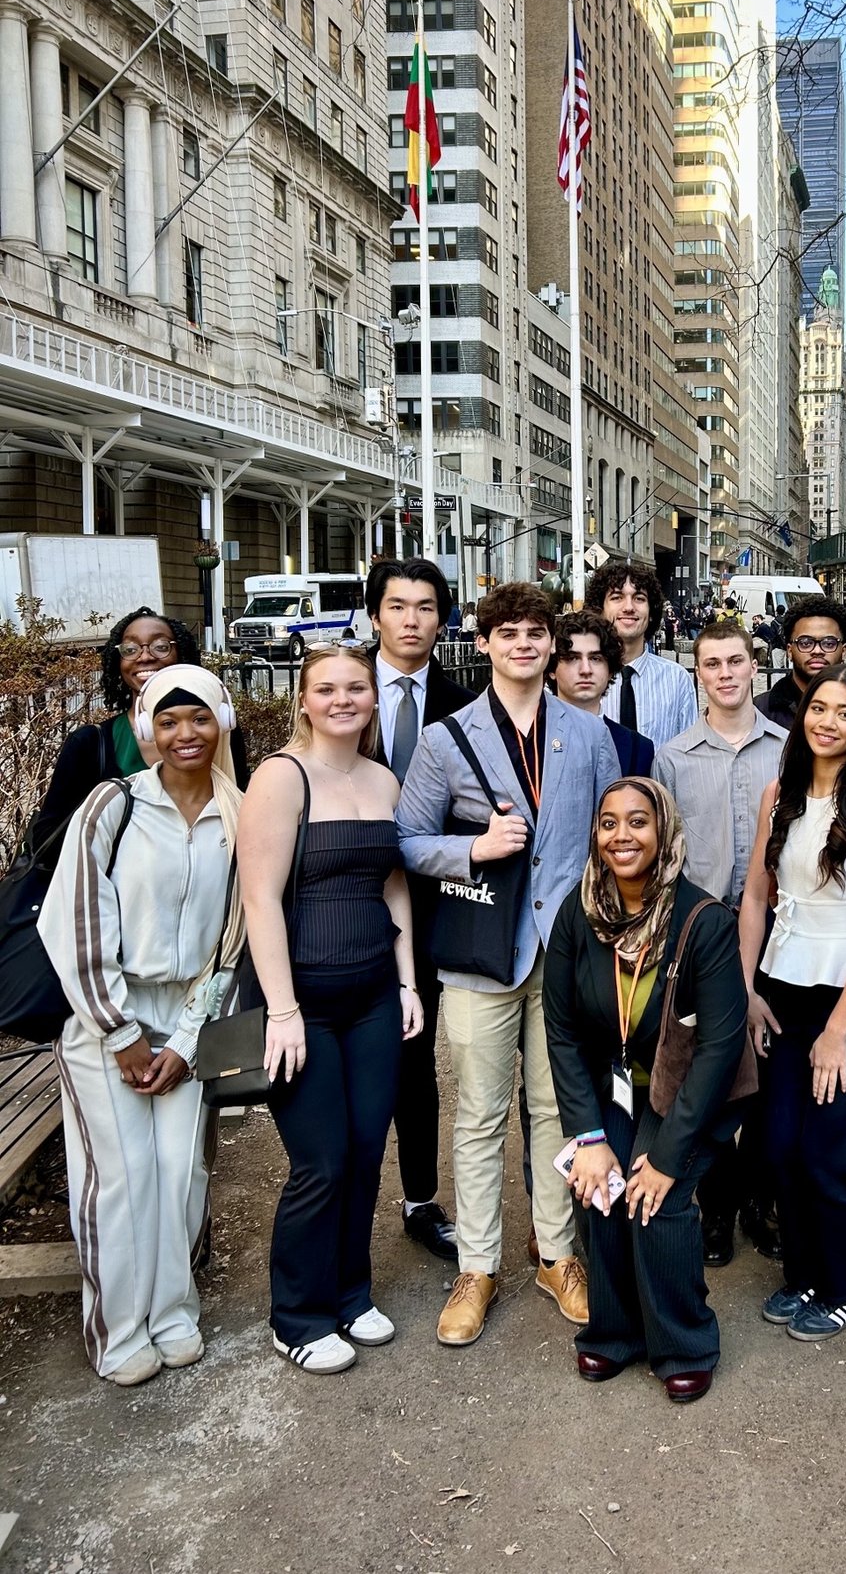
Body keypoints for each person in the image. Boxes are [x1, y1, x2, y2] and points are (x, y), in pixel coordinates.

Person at [397, 583, 619, 1347]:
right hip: (480, 957)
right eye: (508, 632)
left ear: (552, 645)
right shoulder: (444, 737)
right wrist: (472, 848)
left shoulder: (588, 735)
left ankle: (558, 1253)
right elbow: (405, 839)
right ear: (484, 643)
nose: (523, 643)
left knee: (559, 1110)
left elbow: (612, 837)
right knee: (481, 1114)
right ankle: (479, 1263)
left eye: (535, 632)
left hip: (566, 954)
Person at [39, 666, 244, 1385]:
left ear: (222, 721)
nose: (185, 734)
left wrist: (188, 1040)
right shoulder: (113, 805)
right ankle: (119, 1327)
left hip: (189, 1013)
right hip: (109, 1015)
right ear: (146, 729)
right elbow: (73, 920)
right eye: (168, 720)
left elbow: (231, 939)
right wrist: (120, 1031)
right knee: (118, 1179)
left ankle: (171, 1310)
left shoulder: (238, 813)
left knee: (180, 1171)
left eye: (199, 718)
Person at [237, 645, 423, 1375]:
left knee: (368, 1150)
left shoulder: (383, 778)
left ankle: (350, 1292)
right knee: (321, 1159)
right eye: (327, 688)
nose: (343, 698)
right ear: (304, 700)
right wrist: (282, 1008)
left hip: (375, 995)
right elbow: (260, 898)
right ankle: (298, 1314)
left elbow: (395, 884)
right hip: (302, 1003)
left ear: (374, 697)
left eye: (356, 687)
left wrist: (408, 983)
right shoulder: (280, 778)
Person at [543, 779, 749, 1403]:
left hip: (686, 1095)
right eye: (609, 824)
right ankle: (615, 1335)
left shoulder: (703, 919)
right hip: (611, 1087)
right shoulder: (578, 914)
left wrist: (665, 1155)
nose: (622, 836)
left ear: (662, 831)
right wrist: (587, 1136)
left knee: (654, 1198)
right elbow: (561, 1029)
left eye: (638, 822)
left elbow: (718, 1048)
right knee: (598, 1189)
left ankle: (684, 1343)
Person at [738, 665, 846, 1341]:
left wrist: (837, 1032)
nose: (828, 721)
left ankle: (843, 1284)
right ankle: (801, 1272)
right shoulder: (779, 791)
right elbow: (754, 896)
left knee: (828, 1152)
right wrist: (746, 989)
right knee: (777, 1145)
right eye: (819, 707)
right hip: (781, 986)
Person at [654, 619, 787, 1264]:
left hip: (777, 927)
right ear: (698, 674)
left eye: (737, 661)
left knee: (768, 1067)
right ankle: (716, 1204)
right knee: (707, 1067)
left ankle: (763, 1201)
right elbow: (666, 855)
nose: (727, 673)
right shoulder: (674, 757)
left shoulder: (788, 748)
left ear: (754, 667)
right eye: (713, 664)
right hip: (702, 932)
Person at [366, 557, 474, 1262]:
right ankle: (342, 1196)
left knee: (418, 1053)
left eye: (426, 606)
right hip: (350, 898)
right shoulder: (340, 690)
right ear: (374, 614)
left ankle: (419, 1197)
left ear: (443, 617)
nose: (412, 619)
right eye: (398, 605)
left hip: (436, 906)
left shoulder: (465, 701)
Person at [32, 606, 249, 853]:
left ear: (182, 655)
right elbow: (47, 840)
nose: (144, 657)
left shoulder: (218, 733)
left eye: (160, 646)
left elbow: (241, 804)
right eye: (130, 649)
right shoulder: (89, 744)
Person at [589, 562, 696, 750]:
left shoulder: (676, 679)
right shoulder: (580, 676)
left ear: (651, 611)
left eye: (639, 598)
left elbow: (689, 756)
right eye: (617, 597)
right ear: (600, 608)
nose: (629, 607)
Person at [551, 609, 654, 777]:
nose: (585, 670)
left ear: (610, 670)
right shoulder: (531, 737)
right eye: (572, 658)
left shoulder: (638, 748)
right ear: (552, 669)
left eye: (595, 659)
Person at [754, 594, 846, 731]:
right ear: (789, 651)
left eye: (829, 643)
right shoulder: (759, 712)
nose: (817, 651)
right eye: (805, 643)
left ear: (844, 650)